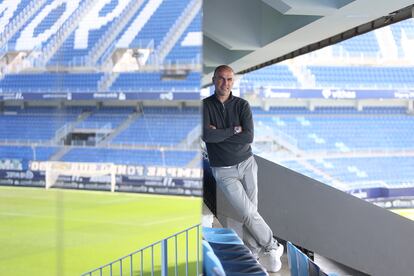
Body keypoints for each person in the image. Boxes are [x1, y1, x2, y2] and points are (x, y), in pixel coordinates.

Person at [202, 65, 284, 272]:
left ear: (233, 81)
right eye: (221, 79)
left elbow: (248, 137)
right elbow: (207, 136)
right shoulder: (204, 106)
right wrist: (234, 130)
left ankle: (253, 253)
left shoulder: (242, 105)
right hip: (223, 169)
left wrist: (221, 133)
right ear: (213, 80)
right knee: (247, 212)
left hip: (247, 164)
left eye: (229, 79)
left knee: (251, 212)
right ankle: (272, 246)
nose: (225, 83)